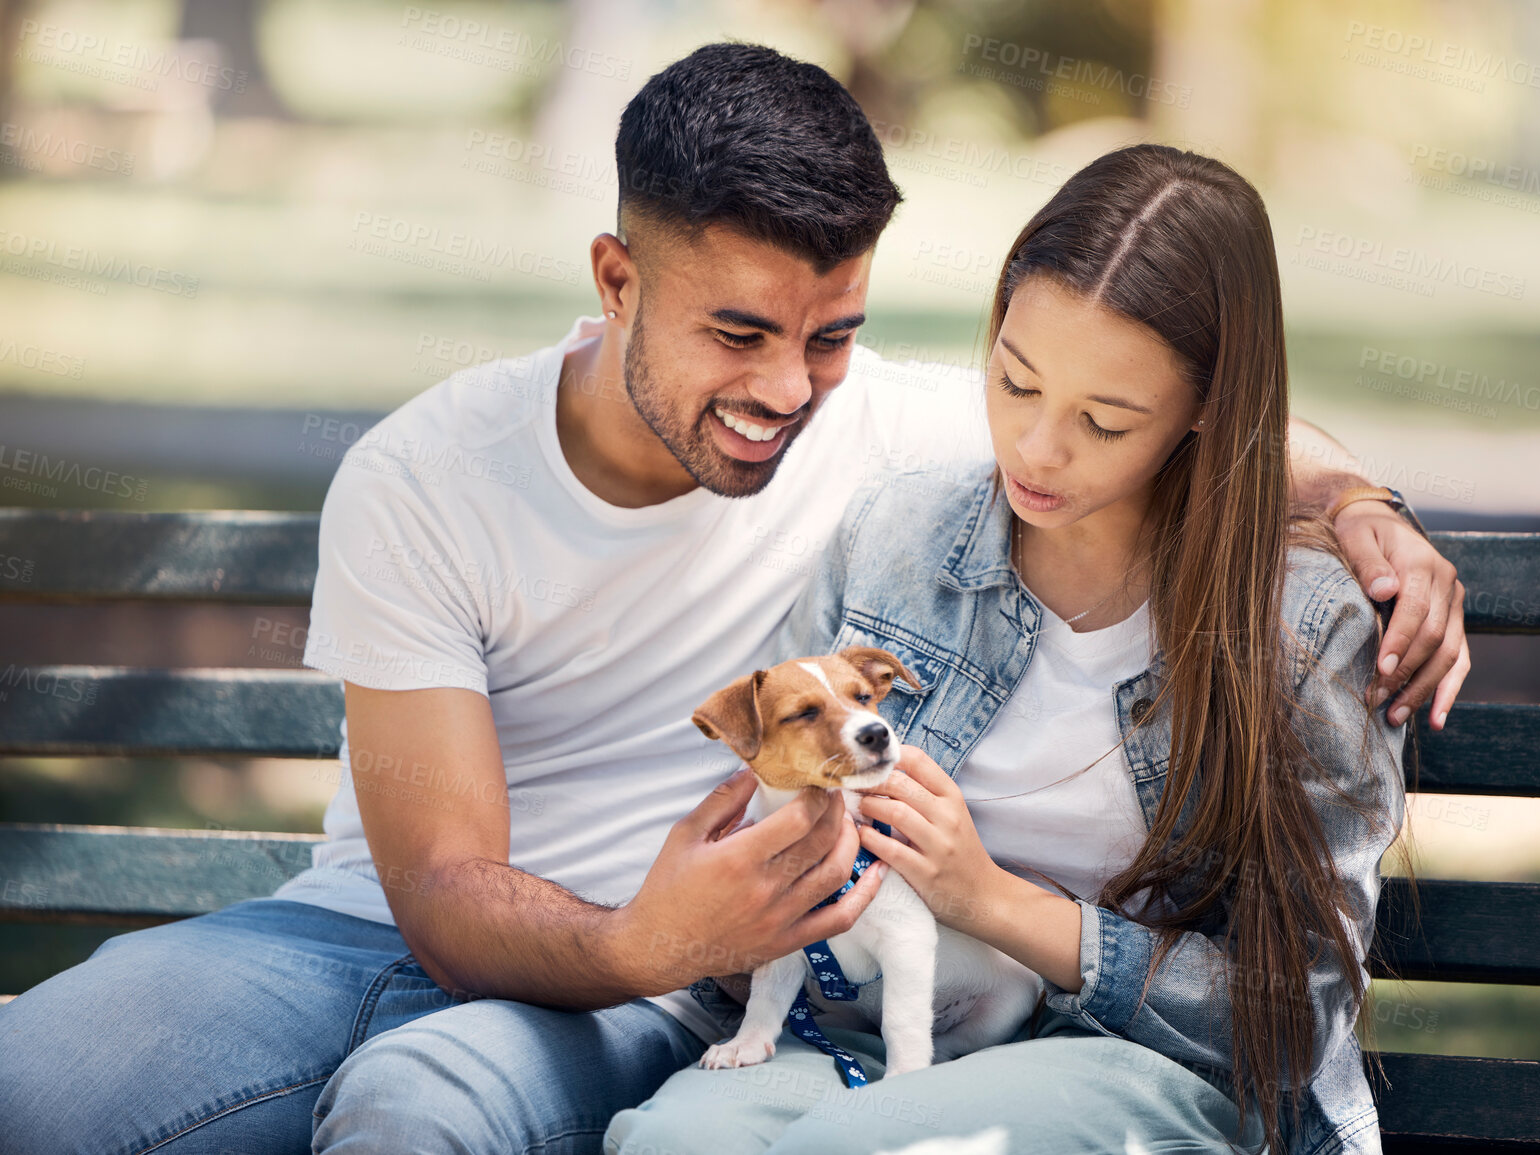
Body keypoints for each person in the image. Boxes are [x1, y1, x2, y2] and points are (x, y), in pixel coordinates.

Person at [0, 47, 1460, 1155]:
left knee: (422, 1102)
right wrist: (655, 936)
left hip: (699, 997)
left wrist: (1358, 509)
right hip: (461, 941)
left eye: (831, 334)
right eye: (739, 332)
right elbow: (442, 896)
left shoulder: (909, 439)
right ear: (615, 277)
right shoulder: (428, 474)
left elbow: (1174, 413)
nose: (784, 390)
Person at [605, 144, 1407, 1155]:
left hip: (1142, 1065)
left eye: (1104, 421)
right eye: (1015, 383)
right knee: (672, 1145)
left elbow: (1292, 1016)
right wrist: (740, 908)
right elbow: (764, 812)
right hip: (884, 1024)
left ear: (1207, 409)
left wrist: (986, 898)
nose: (1036, 449)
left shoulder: (1301, 628)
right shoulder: (897, 538)